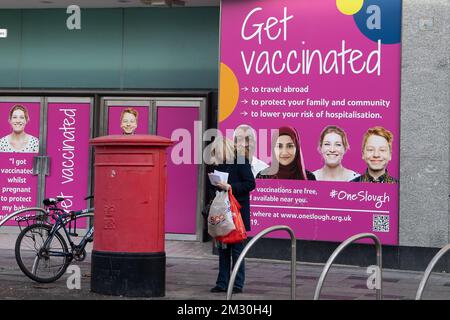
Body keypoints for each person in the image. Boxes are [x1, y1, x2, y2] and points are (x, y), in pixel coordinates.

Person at [206, 136, 255, 294]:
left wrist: (230, 186)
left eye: (216, 153)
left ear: (223, 150)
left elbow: (250, 184)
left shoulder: (241, 161)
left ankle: (237, 284)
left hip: (236, 213)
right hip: (222, 213)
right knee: (223, 249)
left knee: (237, 250)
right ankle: (222, 283)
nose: (215, 157)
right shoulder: (218, 165)